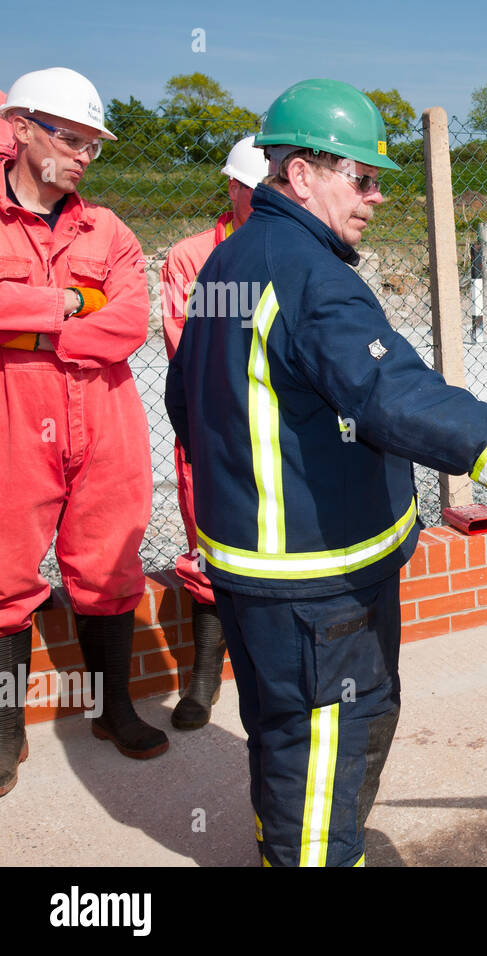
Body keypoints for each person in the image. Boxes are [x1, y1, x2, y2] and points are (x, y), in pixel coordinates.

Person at [165, 78, 487, 866]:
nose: (376, 196)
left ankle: (280, 848)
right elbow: (391, 392)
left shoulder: (228, 260)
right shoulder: (311, 275)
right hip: (316, 584)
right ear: (301, 175)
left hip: (249, 570)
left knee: (285, 736)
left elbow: (186, 401)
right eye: (360, 177)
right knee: (330, 745)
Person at [0, 67, 168, 798]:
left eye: (94, 146)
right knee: (3, 571)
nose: (84, 156)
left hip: (104, 414)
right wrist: (71, 300)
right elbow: (96, 311)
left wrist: (30, 326)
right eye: (72, 138)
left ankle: (112, 711)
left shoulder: (110, 230)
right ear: (21, 128)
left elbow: (130, 322)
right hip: (13, 414)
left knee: (109, 563)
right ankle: (6, 733)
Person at [160, 135, 268, 730]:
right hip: (211, 431)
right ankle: (204, 677)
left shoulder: (299, 248)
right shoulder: (192, 257)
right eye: (256, 192)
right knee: (210, 548)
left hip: (281, 433)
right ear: (233, 188)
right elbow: (188, 350)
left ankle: (266, 665)